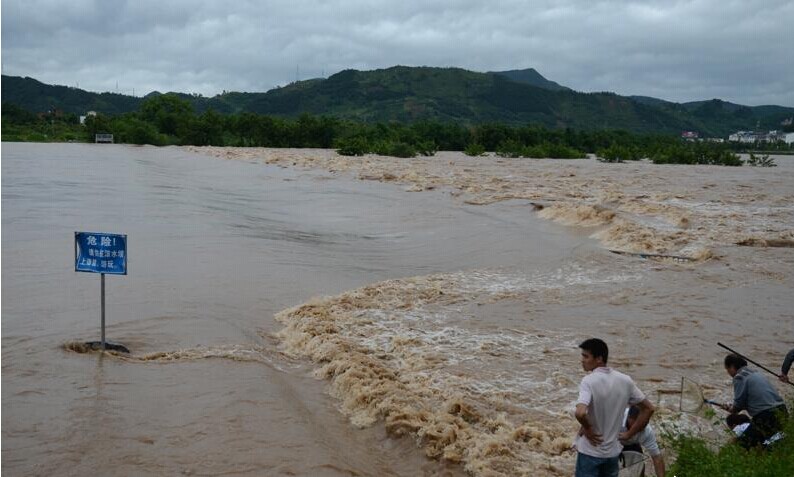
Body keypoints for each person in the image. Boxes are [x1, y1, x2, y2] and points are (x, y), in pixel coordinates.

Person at [574, 338, 655, 477]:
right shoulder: (625, 380)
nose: (582, 360)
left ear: (599, 358)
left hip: (590, 452)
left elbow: (580, 413)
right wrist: (629, 434)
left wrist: (587, 428)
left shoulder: (588, 381)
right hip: (612, 453)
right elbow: (648, 409)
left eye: (586, 356)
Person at [720, 354, 788, 442]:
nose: (728, 372)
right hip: (782, 412)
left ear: (732, 367)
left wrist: (731, 409)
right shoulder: (757, 373)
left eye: (727, 369)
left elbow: (738, 405)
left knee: (743, 442)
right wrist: (734, 407)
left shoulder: (739, 377)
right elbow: (757, 399)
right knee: (772, 443)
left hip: (766, 416)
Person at [620, 405, 665, 476]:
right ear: (629, 418)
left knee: (639, 467)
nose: (641, 426)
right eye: (637, 423)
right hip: (610, 445)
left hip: (632, 445)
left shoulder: (647, 431)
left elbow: (657, 458)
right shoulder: (617, 419)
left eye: (644, 423)